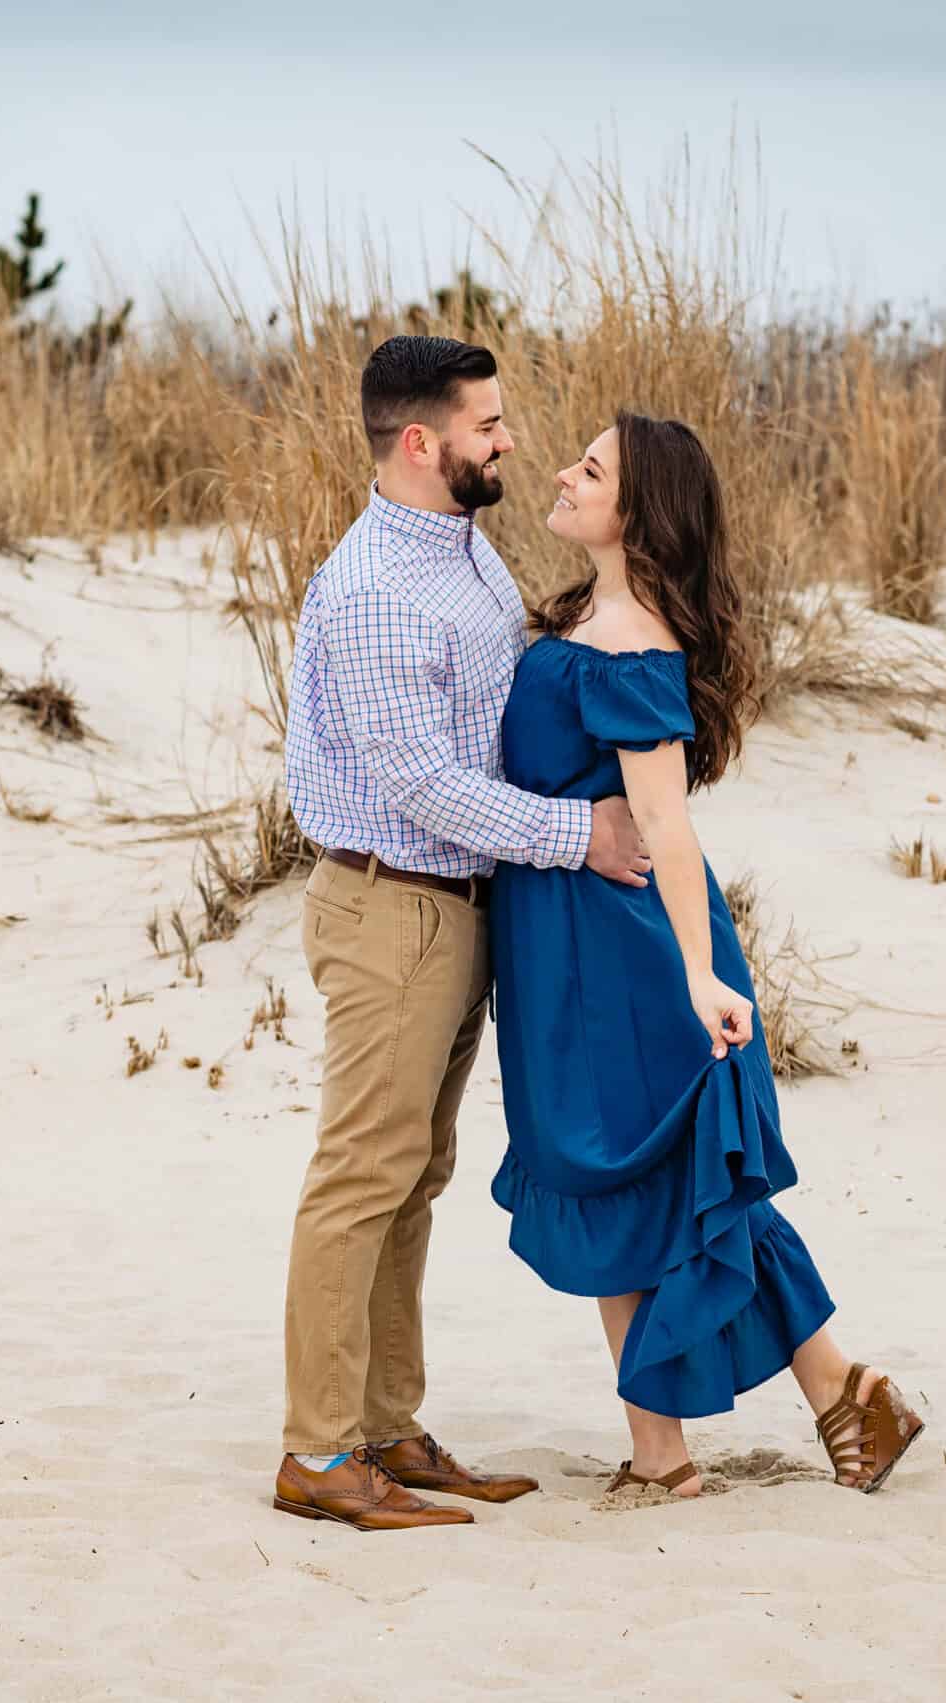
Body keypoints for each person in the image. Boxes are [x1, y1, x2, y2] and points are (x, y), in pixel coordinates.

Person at [488, 412, 927, 1500]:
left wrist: (698, 971)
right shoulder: (585, 617)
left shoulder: (633, 645)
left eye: (589, 470)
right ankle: (802, 1406)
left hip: (623, 963)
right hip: (562, 950)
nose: (561, 472)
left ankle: (686, 1450)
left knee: (650, 1183)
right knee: (622, 1186)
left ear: (638, 515)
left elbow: (667, 824)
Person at [273, 336, 653, 1532]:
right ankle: (319, 1451)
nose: (507, 440)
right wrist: (576, 835)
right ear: (419, 443)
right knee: (359, 1179)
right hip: (393, 906)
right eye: (486, 424)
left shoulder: (463, 551)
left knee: (412, 1176)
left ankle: (387, 1427)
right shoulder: (379, 587)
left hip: (456, 909)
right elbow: (425, 785)